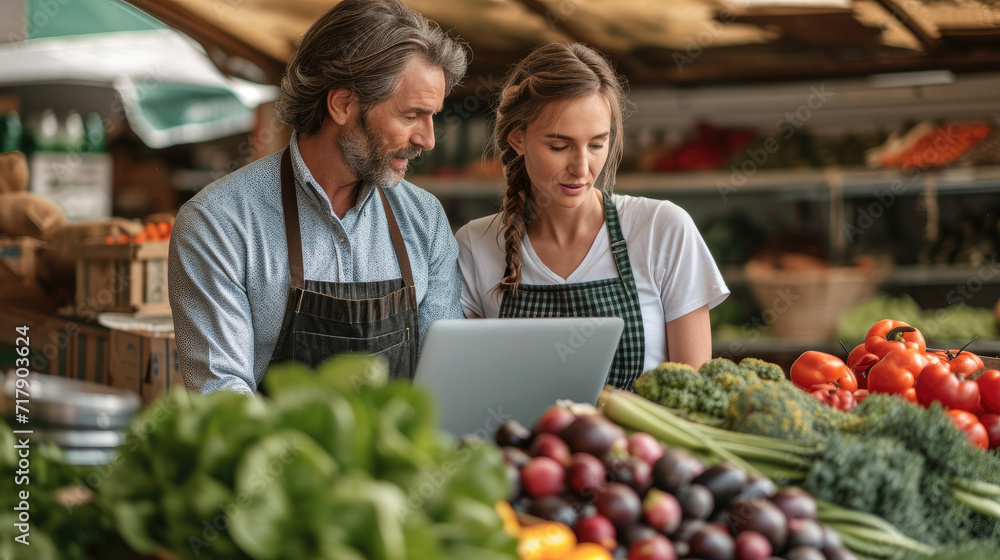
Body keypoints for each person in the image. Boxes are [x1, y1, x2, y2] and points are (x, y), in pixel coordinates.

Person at [169, 0, 469, 395]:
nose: (427, 140)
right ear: (343, 104)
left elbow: (446, 379)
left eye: (432, 117)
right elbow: (222, 400)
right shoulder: (218, 223)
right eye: (411, 116)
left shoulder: (425, 219)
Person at [456, 43, 729, 390]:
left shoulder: (662, 228)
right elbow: (475, 390)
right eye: (559, 146)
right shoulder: (474, 246)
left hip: (643, 446)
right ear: (517, 139)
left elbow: (693, 397)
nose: (582, 168)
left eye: (597, 144)